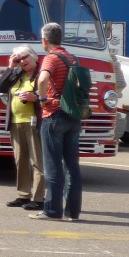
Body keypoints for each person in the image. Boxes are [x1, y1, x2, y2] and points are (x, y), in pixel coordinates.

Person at [30, 22, 82, 222]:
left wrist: (42, 100)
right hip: (73, 117)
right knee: (72, 166)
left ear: (44, 40)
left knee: (52, 165)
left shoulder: (51, 58)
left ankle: (52, 210)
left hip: (54, 115)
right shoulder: (73, 58)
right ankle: (73, 212)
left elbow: (42, 80)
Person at [0, 45, 44, 210]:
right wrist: (11, 66)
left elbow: (50, 96)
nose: (22, 61)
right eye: (19, 58)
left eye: (25, 57)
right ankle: (23, 195)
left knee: (37, 161)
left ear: (34, 57)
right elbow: (0, 87)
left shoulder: (41, 75)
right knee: (20, 160)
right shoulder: (17, 74)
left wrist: (34, 98)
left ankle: (39, 199)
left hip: (34, 122)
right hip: (16, 122)